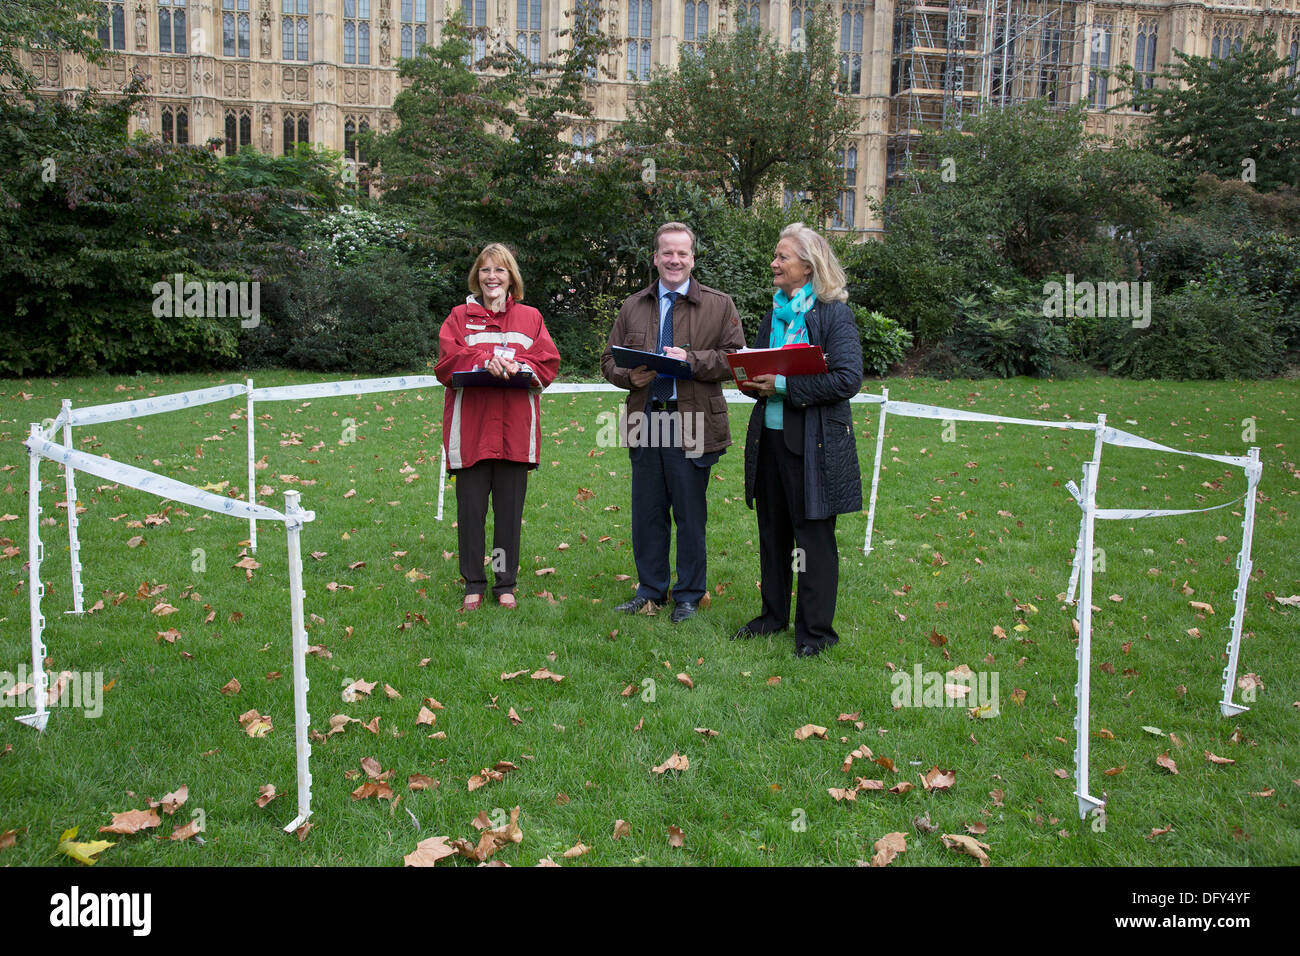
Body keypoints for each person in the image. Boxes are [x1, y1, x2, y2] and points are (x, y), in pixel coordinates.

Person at [600, 222, 747, 622]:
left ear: (692, 258)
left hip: (693, 421)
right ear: (656, 257)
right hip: (646, 421)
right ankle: (650, 591)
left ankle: (687, 594)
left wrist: (691, 361)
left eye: (682, 253)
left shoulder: (719, 304)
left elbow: (736, 361)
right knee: (648, 513)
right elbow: (608, 361)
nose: (675, 260)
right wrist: (630, 377)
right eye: (667, 253)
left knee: (688, 513)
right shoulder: (634, 305)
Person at [734, 223, 863, 657]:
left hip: (814, 446)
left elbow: (847, 379)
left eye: (782, 257)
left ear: (807, 266)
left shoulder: (833, 314)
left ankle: (816, 632)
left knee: (813, 540)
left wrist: (786, 386)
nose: (773, 263)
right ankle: (772, 616)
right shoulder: (774, 314)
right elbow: (755, 366)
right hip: (769, 442)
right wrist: (748, 382)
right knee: (772, 534)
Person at [435, 243, 560, 611]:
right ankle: (473, 581)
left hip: (513, 433)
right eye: (486, 270)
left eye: (500, 270)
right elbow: (447, 360)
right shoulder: (459, 316)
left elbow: (547, 361)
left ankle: (504, 583)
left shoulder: (530, 317)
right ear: (478, 276)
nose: (492, 277)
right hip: (471, 430)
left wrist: (516, 365)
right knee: (471, 513)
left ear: (511, 278)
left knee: (508, 515)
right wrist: (485, 360)